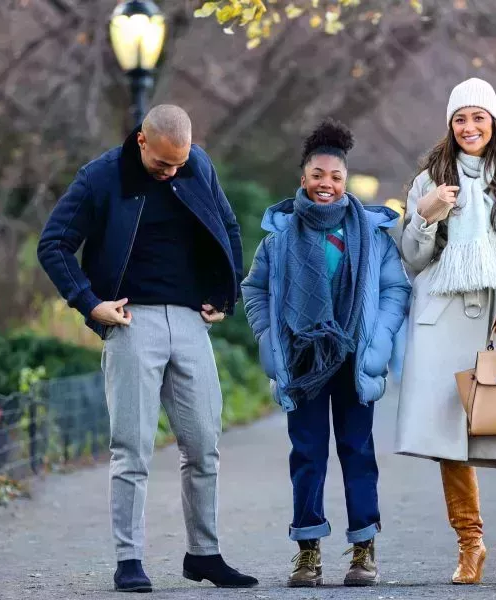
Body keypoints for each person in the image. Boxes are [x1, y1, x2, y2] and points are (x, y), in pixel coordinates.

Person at [37, 105, 258, 592]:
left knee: (203, 446)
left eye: (180, 162)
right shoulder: (100, 177)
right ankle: (129, 560)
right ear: (141, 141)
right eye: (163, 163)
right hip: (130, 320)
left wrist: (225, 295)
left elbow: (229, 228)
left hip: (189, 322)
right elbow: (53, 244)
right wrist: (89, 304)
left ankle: (205, 554)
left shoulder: (197, 165)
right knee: (131, 448)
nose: (173, 171)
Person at [395, 78, 496, 585]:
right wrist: (427, 215)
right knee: (450, 441)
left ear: (494, 123)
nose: (469, 127)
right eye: (460, 119)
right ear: (450, 125)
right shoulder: (428, 181)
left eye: (478, 118)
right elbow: (414, 261)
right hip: (442, 321)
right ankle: (471, 547)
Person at [241, 120, 410, 588]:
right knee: (308, 454)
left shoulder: (373, 236)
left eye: (335, 177)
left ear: (345, 180)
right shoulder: (279, 239)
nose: (326, 184)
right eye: (317, 174)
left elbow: (397, 290)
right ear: (303, 178)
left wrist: (377, 338)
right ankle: (308, 552)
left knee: (358, 452)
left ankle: (363, 549)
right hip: (302, 364)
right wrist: (267, 335)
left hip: (357, 360)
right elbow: (254, 290)